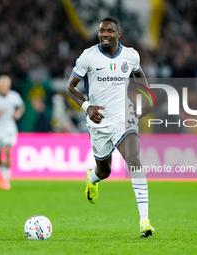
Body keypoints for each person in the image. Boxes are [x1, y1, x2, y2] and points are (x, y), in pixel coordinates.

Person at [66, 17, 155, 237]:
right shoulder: (88, 56)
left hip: (124, 117)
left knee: (134, 161)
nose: (104, 34)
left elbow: (139, 74)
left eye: (109, 31)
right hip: (98, 122)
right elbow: (70, 87)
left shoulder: (131, 55)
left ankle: (144, 221)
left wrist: (146, 98)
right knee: (104, 171)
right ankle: (92, 179)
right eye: (101, 31)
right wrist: (87, 107)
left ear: (118, 33)